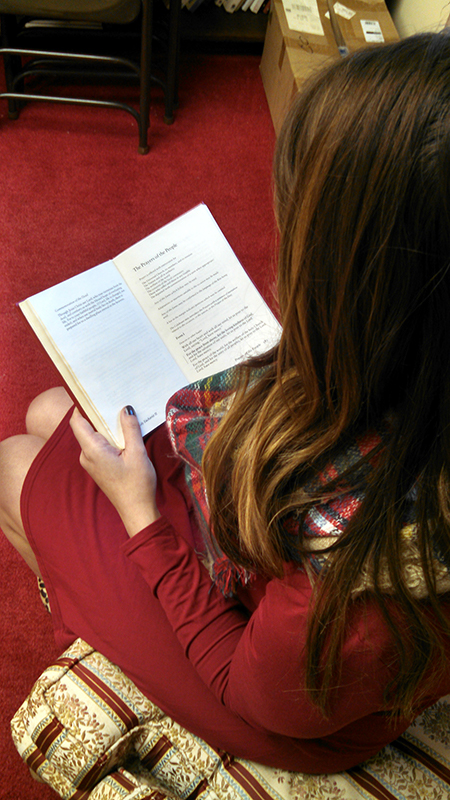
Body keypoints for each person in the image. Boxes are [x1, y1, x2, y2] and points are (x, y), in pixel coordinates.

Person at [2, 30, 450, 776]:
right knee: (53, 410)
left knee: (18, 461)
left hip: (274, 697)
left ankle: (89, 628)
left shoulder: (349, 601)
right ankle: (94, 589)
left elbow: (242, 683)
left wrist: (140, 516)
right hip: (280, 580)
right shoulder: (415, 396)